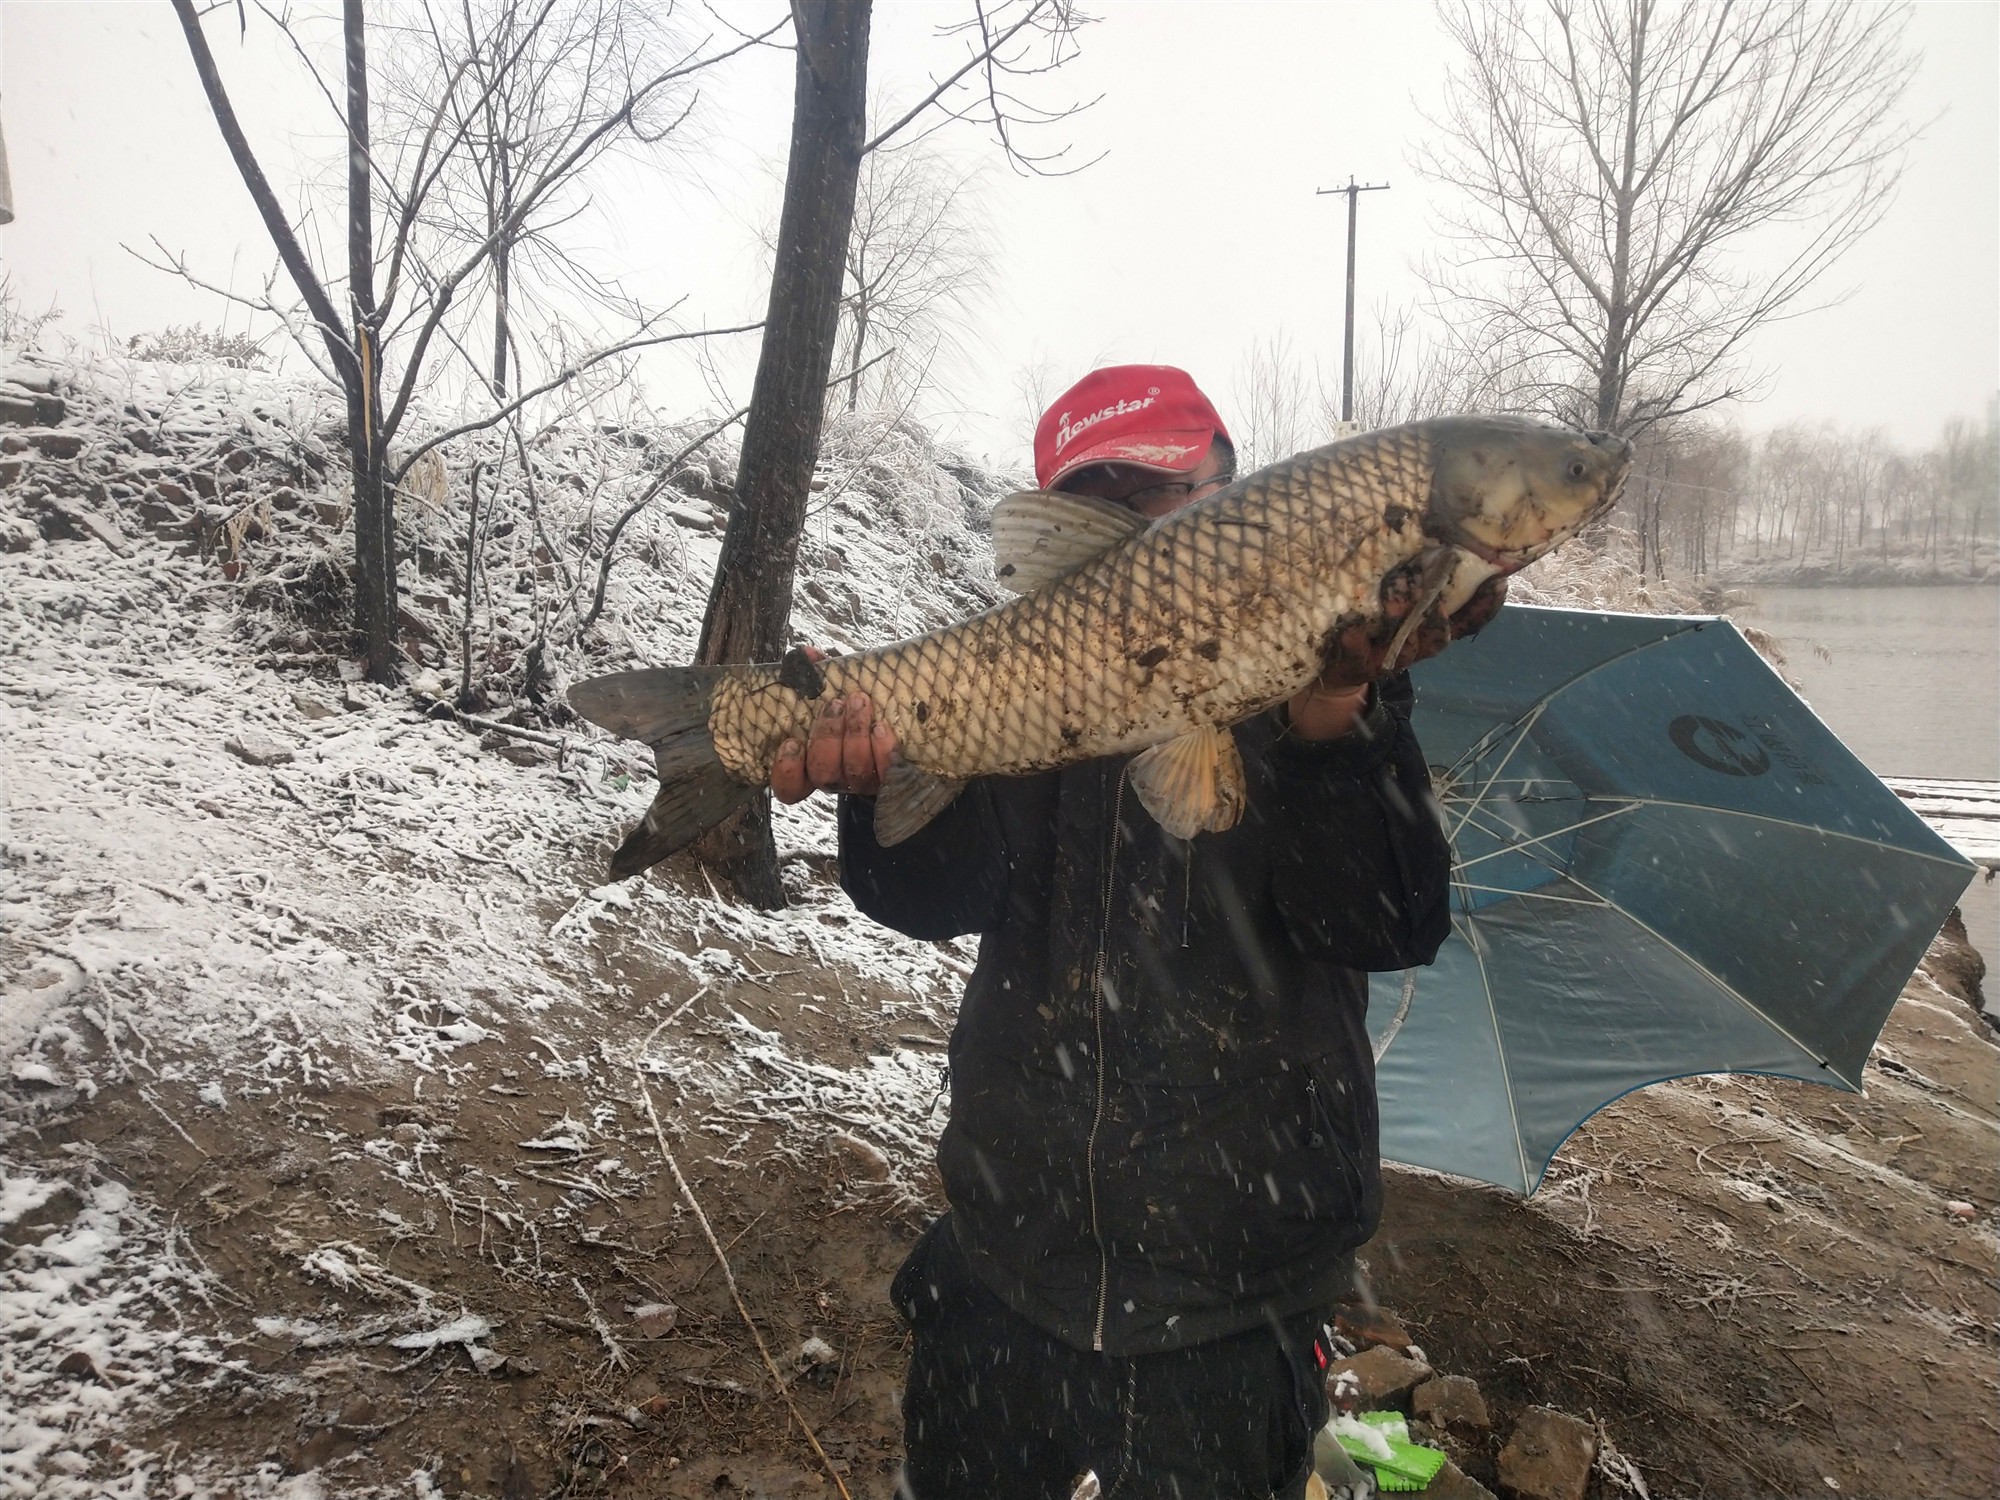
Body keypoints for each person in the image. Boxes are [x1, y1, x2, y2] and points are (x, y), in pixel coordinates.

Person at [772, 366, 1499, 1499]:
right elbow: (930, 900)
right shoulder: (1022, 673)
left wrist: (1330, 723)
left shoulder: (1335, 680)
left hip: (1237, 1282)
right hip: (1010, 1248)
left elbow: (1386, 922)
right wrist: (876, 786)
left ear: (1234, 492)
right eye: (1105, 499)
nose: (1144, 526)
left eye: (1170, 493)